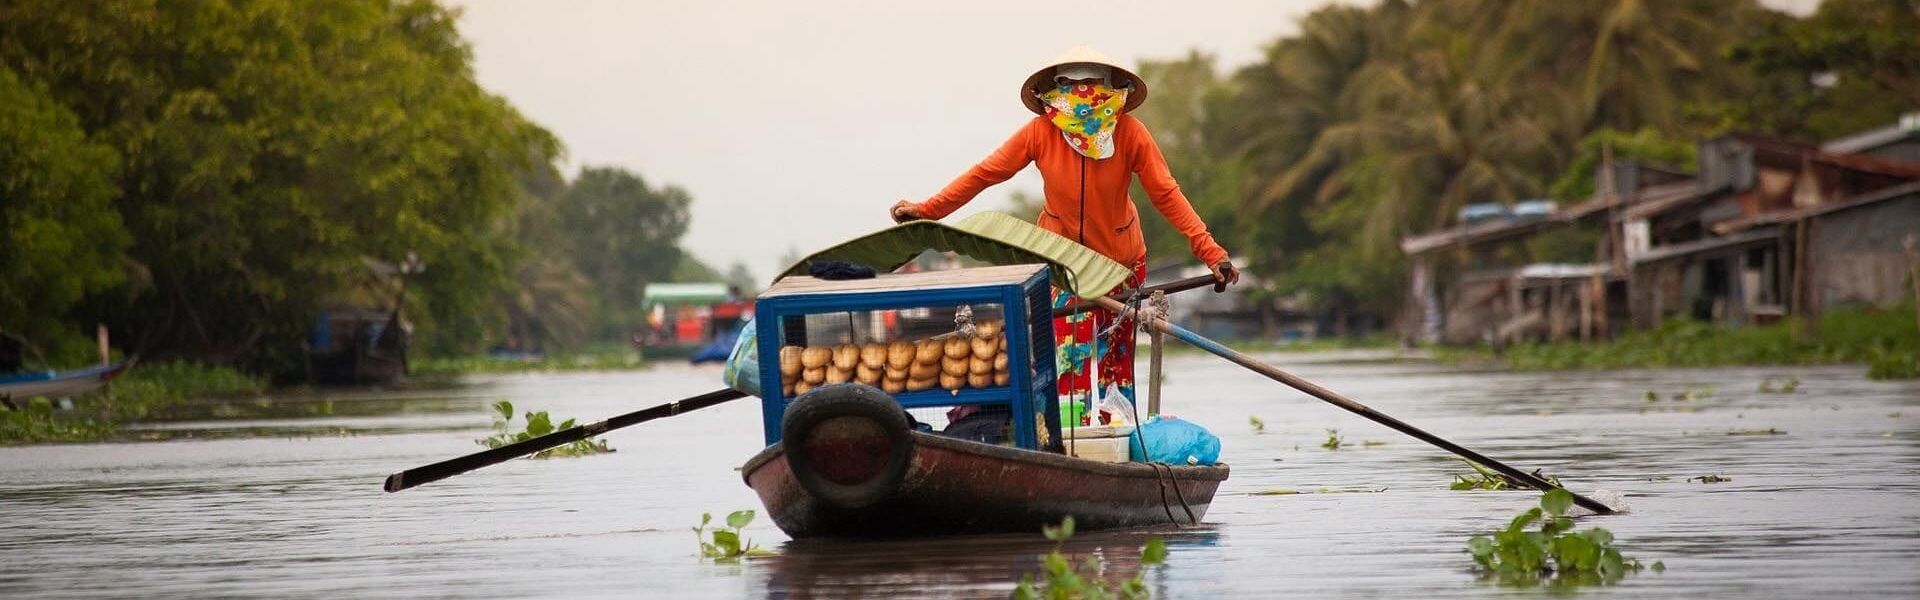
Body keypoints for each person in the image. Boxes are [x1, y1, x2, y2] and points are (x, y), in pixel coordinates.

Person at [891, 46, 1240, 415]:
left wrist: (1211, 253)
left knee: (1115, 363)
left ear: (1110, 90)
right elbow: (985, 174)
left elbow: (1166, 194)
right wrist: (928, 210)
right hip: (1063, 266)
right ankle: (1074, 445)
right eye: (1071, 87)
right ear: (1054, 94)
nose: (1082, 96)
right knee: (1068, 358)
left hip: (1121, 264)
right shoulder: (1040, 132)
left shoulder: (1131, 133)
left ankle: (1115, 432)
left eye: (1091, 85)